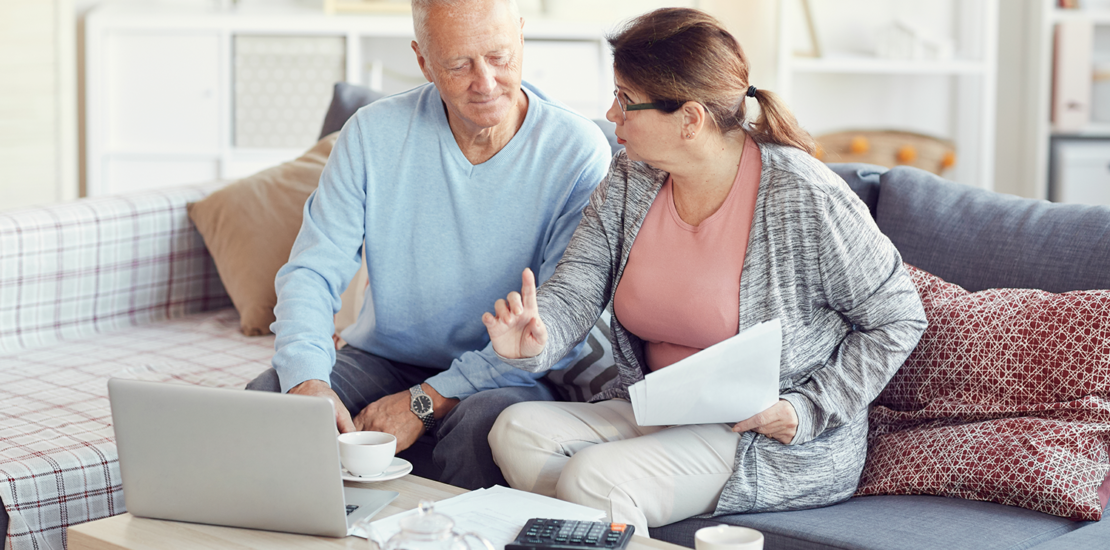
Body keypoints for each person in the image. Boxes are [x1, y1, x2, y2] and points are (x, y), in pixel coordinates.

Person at [481, 8, 928, 534]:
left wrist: (809, 408)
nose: (610, 112)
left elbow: (900, 317)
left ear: (690, 119)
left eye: (625, 98)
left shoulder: (806, 195)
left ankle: (602, 519)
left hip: (760, 435)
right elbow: (577, 289)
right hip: (660, 409)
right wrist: (535, 339)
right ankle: (604, 529)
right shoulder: (631, 177)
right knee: (514, 431)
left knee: (595, 478)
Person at [245, 0, 612, 491]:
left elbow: (557, 326)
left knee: (481, 430)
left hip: (505, 373)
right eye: (458, 64)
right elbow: (312, 271)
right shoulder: (371, 134)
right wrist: (307, 379)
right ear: (423, 60)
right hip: (383, 360)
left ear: (521, 36)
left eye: (499, 57)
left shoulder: (578, 151)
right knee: (271, 399)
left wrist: (424, 401)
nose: (485, 82)